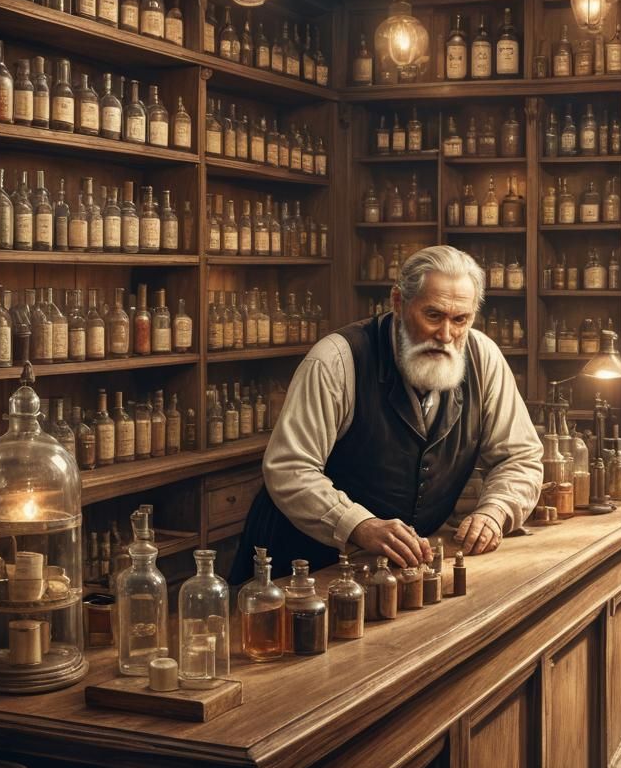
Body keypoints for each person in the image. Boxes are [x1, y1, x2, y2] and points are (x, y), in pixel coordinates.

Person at [232, 245, 542, 580]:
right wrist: (357, 523)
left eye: (460, 320)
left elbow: (520, 457)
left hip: (393, 571)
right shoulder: (337, 359)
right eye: (433, 315)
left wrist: (496, 511)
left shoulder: (484, 358)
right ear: (399, 302)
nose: (446, 335)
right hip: (300, 564)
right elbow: (289, 467)